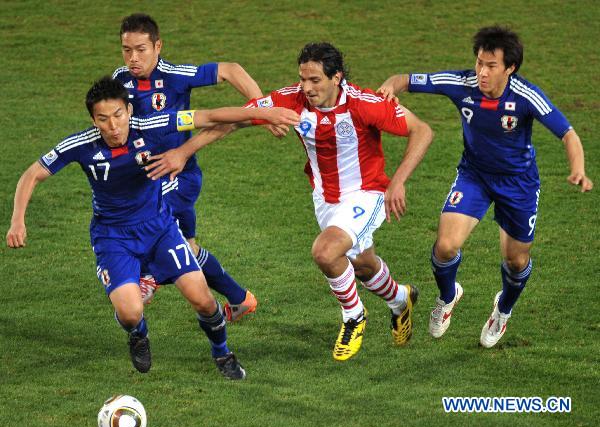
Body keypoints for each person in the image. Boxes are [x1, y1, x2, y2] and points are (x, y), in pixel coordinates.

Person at [145, 42, 434, 361]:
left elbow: (422, 131)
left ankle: (353, 316)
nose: (307, 88)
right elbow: (236, 119)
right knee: (362, 265)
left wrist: (398, 182)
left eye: (315, 81)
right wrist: (183, 152)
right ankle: (399, 299)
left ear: (336, 77)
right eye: (302, 79)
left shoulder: (366, 104)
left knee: (326, 252)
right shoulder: (292, 99)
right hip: (325, 199)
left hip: (368, 193)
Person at [6, 77, 299, 378]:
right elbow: (32, 174)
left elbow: (208, 116)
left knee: (204, 300)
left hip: (160, 230)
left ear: (129, 110)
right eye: (103, 119)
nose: (113, 126)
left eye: (118, 115)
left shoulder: (151, 125)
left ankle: (222, 353)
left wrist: (264, 113)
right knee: (131, 313)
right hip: (113, 238)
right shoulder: (80, 145)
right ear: (94, 120)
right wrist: (18, 220)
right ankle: (138, 334)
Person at [377, 26, 593, 348]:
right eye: (479, 63)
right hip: (474, 176)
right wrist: (388, 88)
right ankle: (448, 297)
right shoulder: (461, 84)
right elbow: (404, 79)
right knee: (445, 246)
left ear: (510, 68)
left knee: (516, 262)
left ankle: (502, 310)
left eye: (491, 66)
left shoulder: (525, 96)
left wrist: (578, 169)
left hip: (518, 184)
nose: (482, 72)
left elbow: (568, 134)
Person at [113, 13, 285, 319]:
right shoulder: (119, 80)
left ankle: (149, 276)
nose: (133, 57)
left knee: (154, 232)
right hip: (146, 177)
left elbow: (231, 70)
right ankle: (240, 298)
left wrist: (263, 110)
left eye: (141, 49)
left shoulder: (176, 76)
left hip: (179, 175)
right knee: (187, 250)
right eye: (127, 50)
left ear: (158, 46)